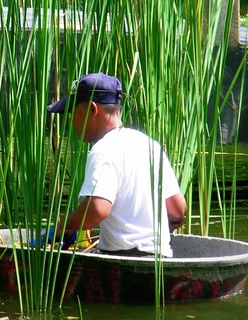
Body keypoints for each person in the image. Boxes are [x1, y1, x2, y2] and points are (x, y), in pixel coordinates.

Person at [47, 72, 186, 257]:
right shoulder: (150, 145)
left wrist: (65, 224)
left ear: (91, 109)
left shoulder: (103, 150)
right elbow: (177, 209)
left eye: (73, 111)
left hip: (125, 262)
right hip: (160, 259)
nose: (71, 120)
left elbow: (97, 209)